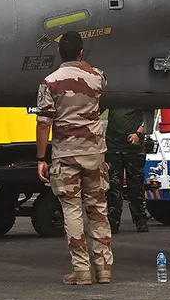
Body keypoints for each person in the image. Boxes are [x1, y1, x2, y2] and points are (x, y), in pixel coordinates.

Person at [35, 30, 113, 286]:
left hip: (66, 154)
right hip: (94, 152)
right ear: (81, 52)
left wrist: (41, 158)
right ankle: (104, 269)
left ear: (59, 52)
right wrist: (83, 62)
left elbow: (44, 123)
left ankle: (81, 271)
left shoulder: (50, 82)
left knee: (71, 209)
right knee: (97, 209)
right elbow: (99, 79)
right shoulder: (96, 77)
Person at [105, 108, 149, 233]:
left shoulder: (138, 94)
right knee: (113, 188)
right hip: (113, 148)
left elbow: (148, 119)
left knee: (136, 188)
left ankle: (140, 220)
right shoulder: (113, 96)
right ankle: (113, 222)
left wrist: (139, 134)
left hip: (134, 149)